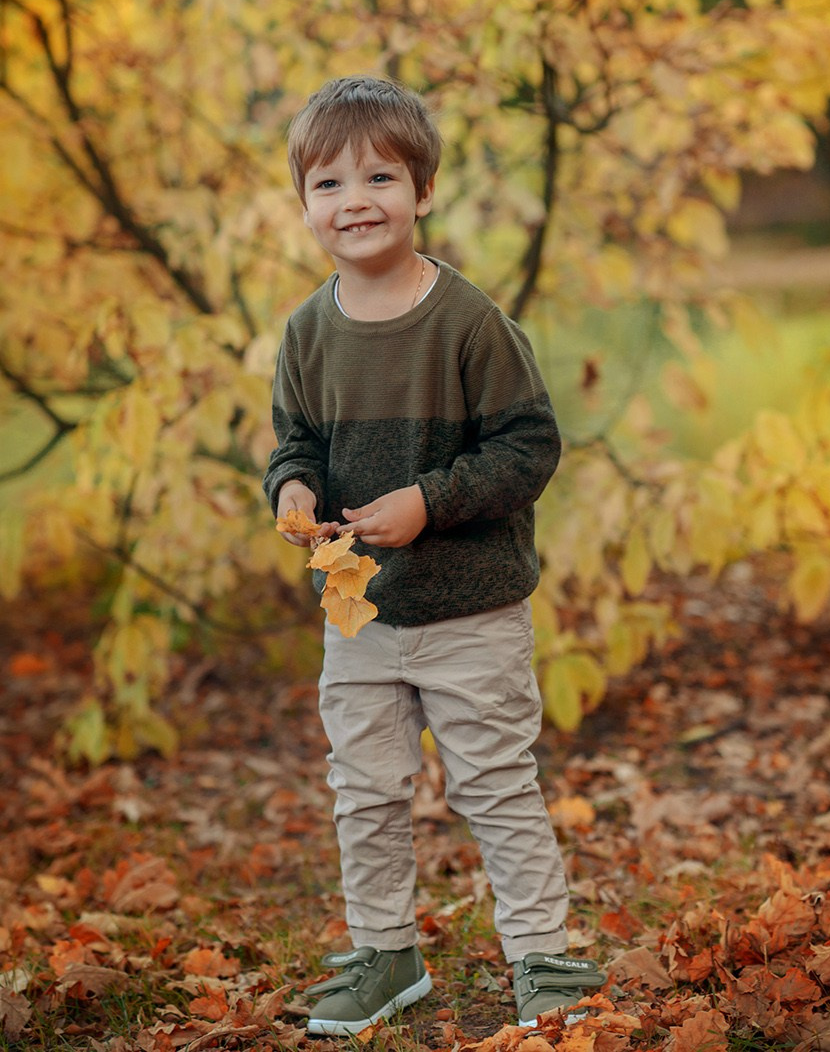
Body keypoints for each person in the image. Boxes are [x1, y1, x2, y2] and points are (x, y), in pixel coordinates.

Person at [263, 75, 603, 1035]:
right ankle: (384, 952)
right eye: (328, 184)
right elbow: (296, 446)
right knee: (364, 791)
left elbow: (528, 448)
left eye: (380, 176)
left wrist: (431, 501)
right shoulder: (306, 332)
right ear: (304, 205)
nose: (354, 200)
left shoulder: (467, 322)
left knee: (493, 784)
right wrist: (290, 491)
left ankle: (542, 954)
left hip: (471, 610)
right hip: (360, 613)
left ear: (423, 193)